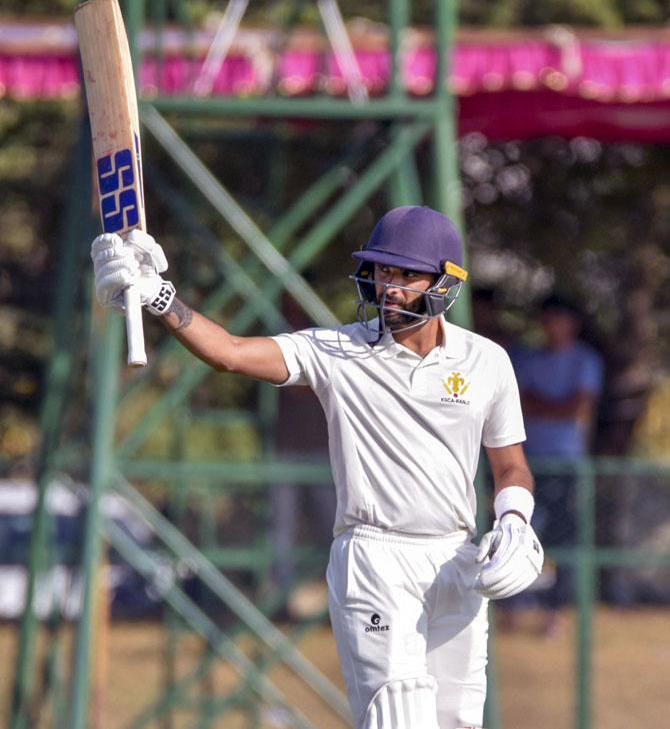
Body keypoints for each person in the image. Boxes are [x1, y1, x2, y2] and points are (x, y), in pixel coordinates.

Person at [91, 205, 544, 729]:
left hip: (456, 559)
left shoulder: (486, 361)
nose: (388, 286)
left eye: (404, 274)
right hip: (376, 558)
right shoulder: (337, 351)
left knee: (457, 722)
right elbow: (232, 353)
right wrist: (162, 299)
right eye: (381, 271)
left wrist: (514, 519)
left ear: (445, 280)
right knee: (401, 719)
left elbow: (511, 464)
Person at [512, 294, 604, 636]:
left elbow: (577, 408)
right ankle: (511, 607)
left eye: (558, 319)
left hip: (567, 465)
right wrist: (555, 406)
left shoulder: (586, 360)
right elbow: (520, 402)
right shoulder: (527, 359)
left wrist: (542, 405)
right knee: (517, 533)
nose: (551, 326)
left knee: (564, 541)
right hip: (527, 463)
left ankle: (556, 614)